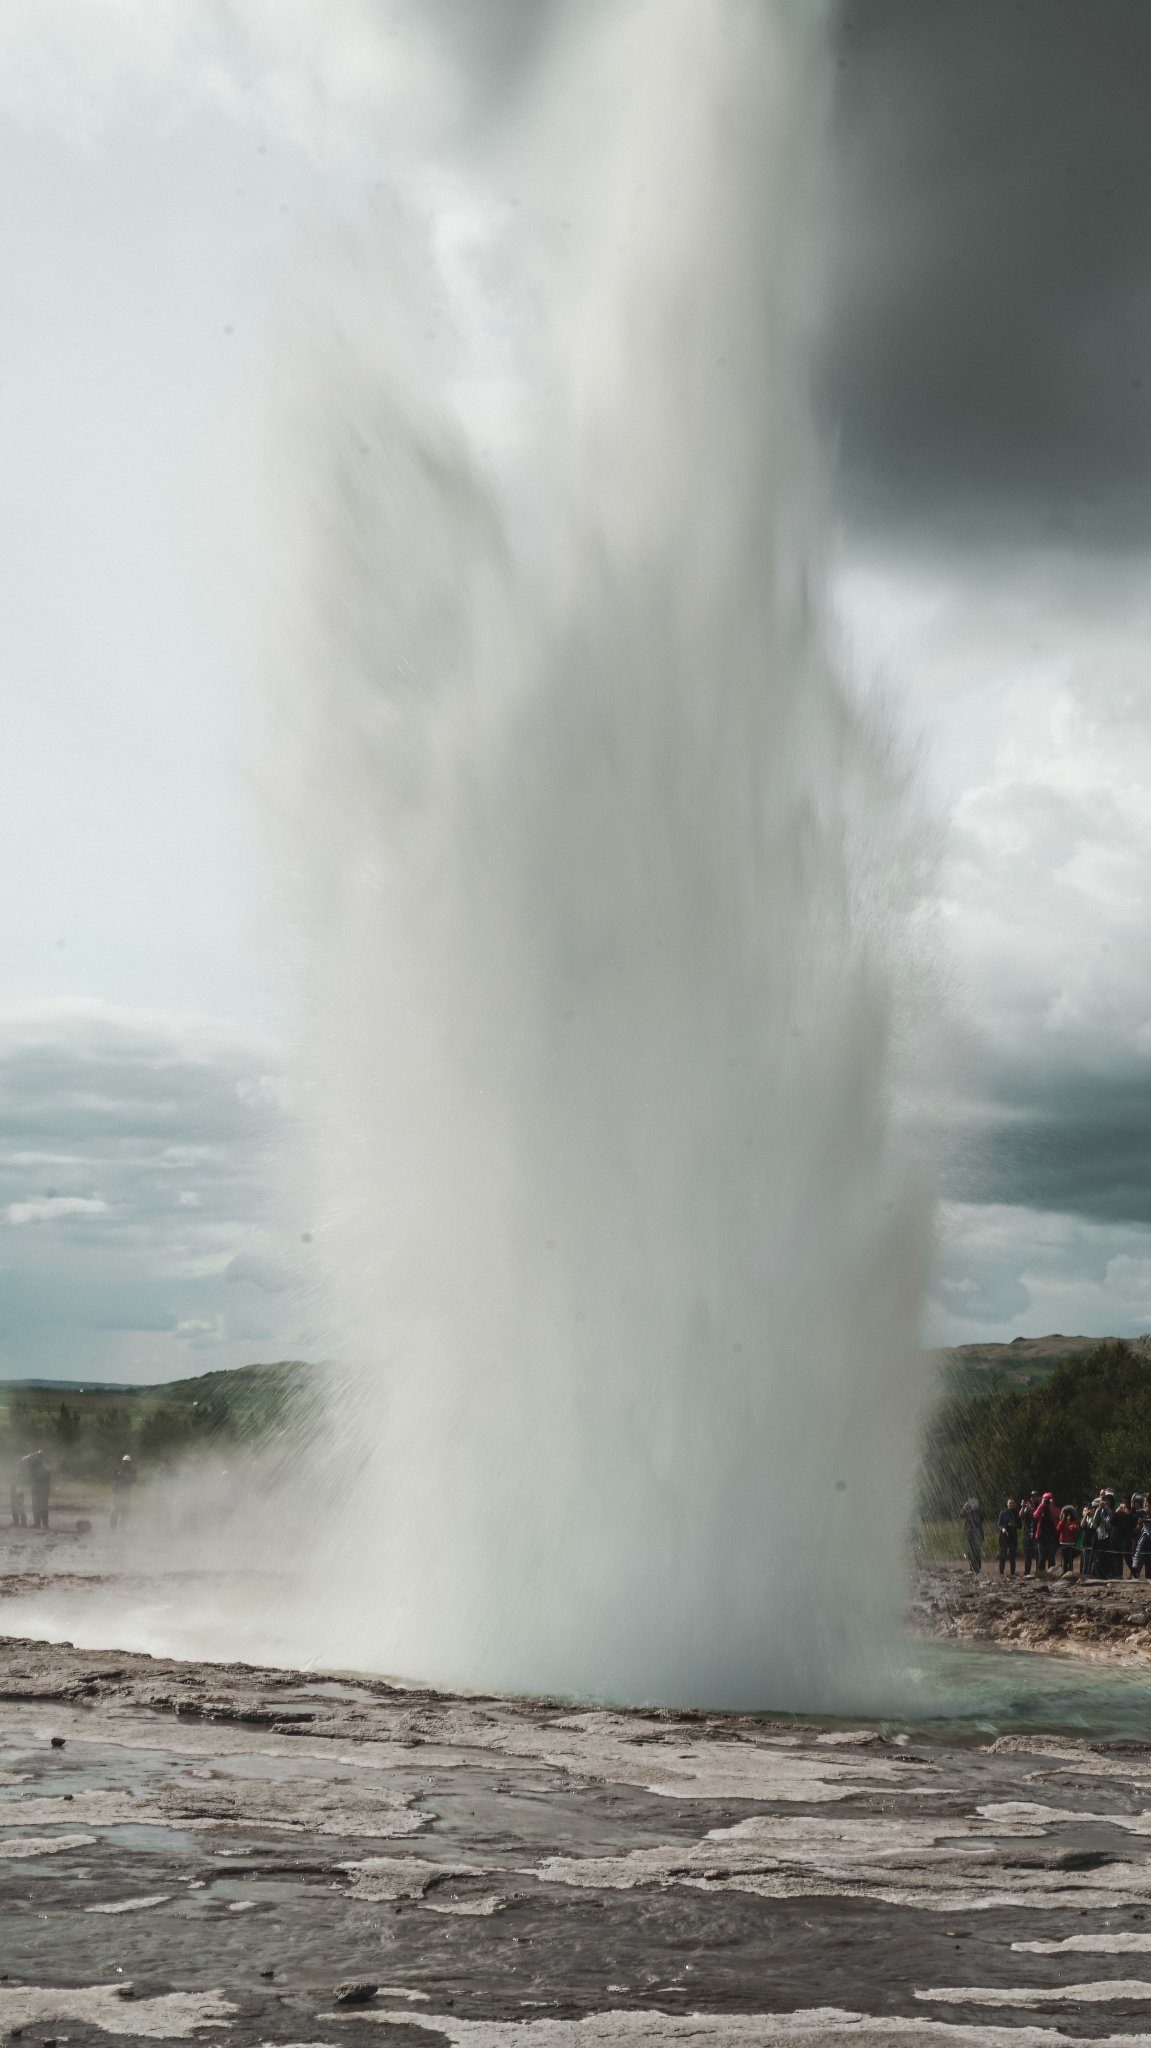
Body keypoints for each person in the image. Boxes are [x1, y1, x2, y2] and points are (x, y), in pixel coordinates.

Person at [23, 1449, 51, 1529]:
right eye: (39, 1455)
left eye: (41, 1455)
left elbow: (48, 1468)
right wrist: (32, 1455)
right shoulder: (33, 1461)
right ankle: (37, 1523)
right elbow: (23, 1460)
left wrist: (42, 1460)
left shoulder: (46, 1461)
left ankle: (45, 1523)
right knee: (35, 1504)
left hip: (45, 1484)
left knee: (44, 1504)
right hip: (35, 1484)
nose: (39, 1456)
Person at [110, 1454, 137, 1529]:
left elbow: (134, 1479)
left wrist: (124, 1474)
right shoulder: (118, 1469)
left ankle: (122, 1528)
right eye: (124, 1462)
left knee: (124, 1511)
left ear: (130, 1463)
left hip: (126, 1494)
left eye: (127, 1462)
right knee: (115, 1510)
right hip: (117, 1493)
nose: (125, 1463)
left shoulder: (132, 1471)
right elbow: (114, 1478)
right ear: (122, 1462)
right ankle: (113, 1527)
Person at [1035, 1492, 1059, 1575]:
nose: (1047, 1501)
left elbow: (1057, 1515)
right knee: (1042, 1557)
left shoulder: (1055, 1508)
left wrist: (1050, 1505)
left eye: (1049, 1499)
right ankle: (1041, 1574)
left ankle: (1052, 1574)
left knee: (1051, 1557)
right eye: (1045, 1499)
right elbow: (1035, 1515)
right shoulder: (1041, 1508)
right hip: (1042, 1537)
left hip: (1052, 1536)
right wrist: (1042, 1505)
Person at [997, 1498, 1020, 1576]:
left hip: (1013, 1536)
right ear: (1007, 1504)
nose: (1011, 1504)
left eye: (1013, 1503)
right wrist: (1002, 1528)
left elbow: (1020, 1525)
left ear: (1015, 1504)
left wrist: (1015, 1525)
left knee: (1012, 1556)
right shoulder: (1003, 1513)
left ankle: (1012, 1573)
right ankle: (1001, 1572)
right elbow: (999, 1524)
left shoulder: (1017, 1513)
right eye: (1010, 1503)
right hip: (1003, 1536)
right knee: (1003, 1555)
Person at [963, 1498, 984, 1573]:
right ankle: (971, 1567)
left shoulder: (979, 1512)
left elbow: (980, 1520)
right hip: (969, 1533)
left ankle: (977, 1568)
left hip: (977, 1533)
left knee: (977, 1551)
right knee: (970, 1551)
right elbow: (961, 1515)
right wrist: (965, 1508)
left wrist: (975, 1509)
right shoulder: (968, 1512)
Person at [1057, 1503, 1079, 1575]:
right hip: (1063, 1542)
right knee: (1065, 1559)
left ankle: (1070, 1572)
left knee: (1070, 1559)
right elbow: (1059, 1528)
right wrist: (1063, 1520)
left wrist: (1071, 1525)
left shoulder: (1074, 1522)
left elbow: (1075, 1528)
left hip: (1071, 1542)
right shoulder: (1062, 1522)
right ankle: (1064, 1572)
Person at [1021, 1492, 1040, 1577]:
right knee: (1027, 1555)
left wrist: (1032, 1508)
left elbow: (1038, 1516)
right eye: (1031, 1497)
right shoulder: (1026, 1508)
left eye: (1034, 1497)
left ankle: (1038, 1572)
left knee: (1037, 1555)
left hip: (1036, 1535)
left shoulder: (1039, 1507)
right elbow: (1021, 1516)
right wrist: (1023, 1507)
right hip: (1027, 1534)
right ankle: (1027, 1572)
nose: (1032, 1498)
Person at [1115, 1497, 1134, 1577]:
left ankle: (1134, 1572)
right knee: (1117, 1557)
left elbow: (1133, 1523)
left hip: (1126, 1537)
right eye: (1122, 1503)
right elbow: (1113, 1522)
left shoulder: (1131, 1512)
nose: (1124, 1505)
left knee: (1127, 1557)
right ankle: (1119, 1575)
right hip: (1117, 1536)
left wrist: (1128, 1513)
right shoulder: (1117, 1511)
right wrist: (1116, 1512)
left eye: (1126, 1503)